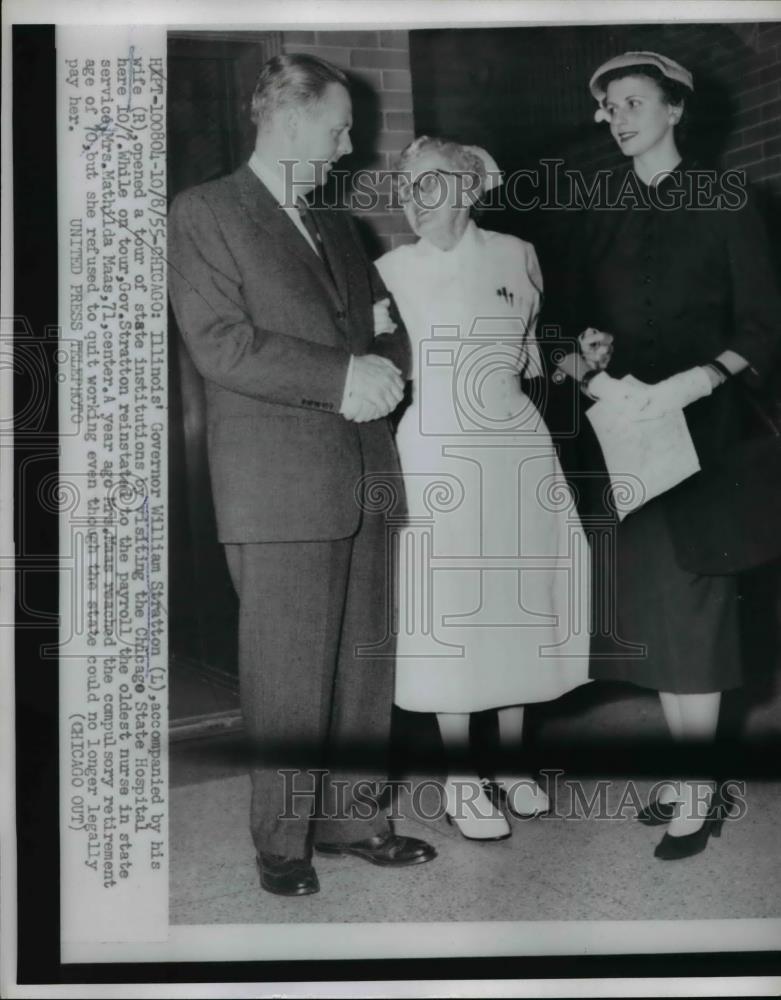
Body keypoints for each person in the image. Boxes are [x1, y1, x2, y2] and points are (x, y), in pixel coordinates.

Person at [167, 53, 436, 897]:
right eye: (338, 124)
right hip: (277, 483)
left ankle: (353, 817)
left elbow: (385, 332)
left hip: (363, 471)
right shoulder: (204, 212)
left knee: (362, 662)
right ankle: (282, 842)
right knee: (287, 671)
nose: (348, 142)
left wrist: (384, 366)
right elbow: (221, 344)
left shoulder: (338, 226)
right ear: (286, 118)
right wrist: (341, 378)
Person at [557, 51, 781, 859]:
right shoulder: (601, 208)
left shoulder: (728, 198)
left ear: (674, 109)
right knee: (654, 616)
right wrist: (586, 348)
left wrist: (695, 379)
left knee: (698, 617)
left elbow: (763, 325)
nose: (618, 117)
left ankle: (697, 788)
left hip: (709, 436)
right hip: (630, 438)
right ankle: (694, 770)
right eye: (609, 104)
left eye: (634, 101)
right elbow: (580, 318)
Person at [376, 137, 591, 841]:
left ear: (468, 189)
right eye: (405, 185)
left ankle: (510, 764)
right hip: (438, 448)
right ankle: (462, 780)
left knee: (515, 602)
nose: (412, 196)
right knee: (455, 613)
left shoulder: (515, 254)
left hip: (515, 445)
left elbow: (531, 358)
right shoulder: (390, 271)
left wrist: (577, 364)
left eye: (428, 183)